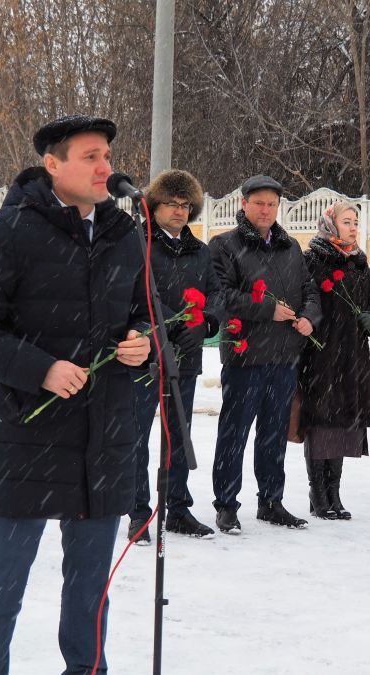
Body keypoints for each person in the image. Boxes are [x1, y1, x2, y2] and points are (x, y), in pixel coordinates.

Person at [0, 115, 151, 674]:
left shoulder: (123, 237)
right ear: (53, 165)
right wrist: (41, 368)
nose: (106, 166)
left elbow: (142, 316)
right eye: (90, 156)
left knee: (89, 593)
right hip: (26, 436)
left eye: (106, 154)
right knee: (1, 589)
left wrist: (141, 343)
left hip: (101, 439)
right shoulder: (7, 231)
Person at [209, 175, 322, 533]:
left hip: (285, 356)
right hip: (246, 356)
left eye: (271, 204)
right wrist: (265, 310)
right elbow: (220, 297)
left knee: (274, 433)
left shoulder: (290, 247)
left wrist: (309, 318)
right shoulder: (225, 245)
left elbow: (311, 291)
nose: (265, 209)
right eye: (258, 202)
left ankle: (271, 501)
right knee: (234, 434)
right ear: (243, 204)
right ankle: (226, 504)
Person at [127, 169, 224, 544]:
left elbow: (215, 295)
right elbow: (135, 293)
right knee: (137, 436)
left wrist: (204, 323)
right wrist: (170, 321)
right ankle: (138, 512)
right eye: (172, 203)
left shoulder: (201, 251)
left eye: (186, 205)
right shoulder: (141, 244)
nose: (179, 211)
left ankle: (178, 508)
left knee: (179, 435)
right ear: (155, 205)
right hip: (147, 354)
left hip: (187, 354)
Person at [298, 201, 370, 520]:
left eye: (356, 221)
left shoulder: (359, 261)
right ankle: (317, 491)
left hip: (353, 357)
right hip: (322, 355)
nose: (353, 226)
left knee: (345, 423)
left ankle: (334, 490)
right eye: (347, 221)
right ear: (330, 224)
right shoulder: (313, 260)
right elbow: (306, 302)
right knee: (322, 424)